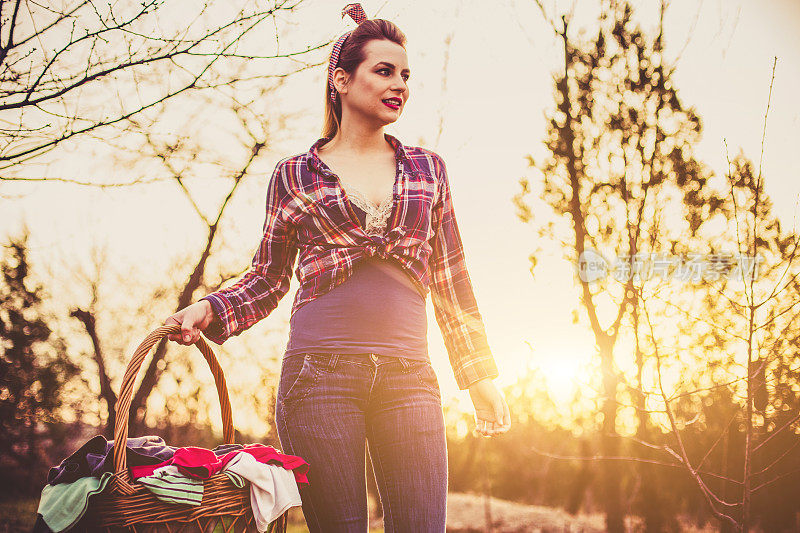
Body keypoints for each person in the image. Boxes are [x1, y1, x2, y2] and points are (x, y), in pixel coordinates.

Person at [164, 4, 511, 531]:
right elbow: (268, 277)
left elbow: (451, 279)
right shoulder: (294, 174)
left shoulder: (428, 169)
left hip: (409, 378)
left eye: (405, 74)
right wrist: (209, 308)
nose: (400, 85)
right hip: (318, 379)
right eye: (384, 71)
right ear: (341, 80)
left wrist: (478, 373)